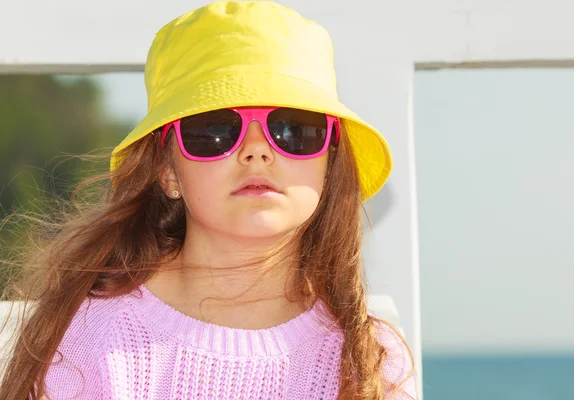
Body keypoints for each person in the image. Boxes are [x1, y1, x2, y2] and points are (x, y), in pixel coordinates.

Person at [0, 1, 417, 399]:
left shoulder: (368, 358)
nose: (257, 150)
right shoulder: (93, 338)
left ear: (330, 165)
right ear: (167, 171)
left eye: (294, 128)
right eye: (214, 129)